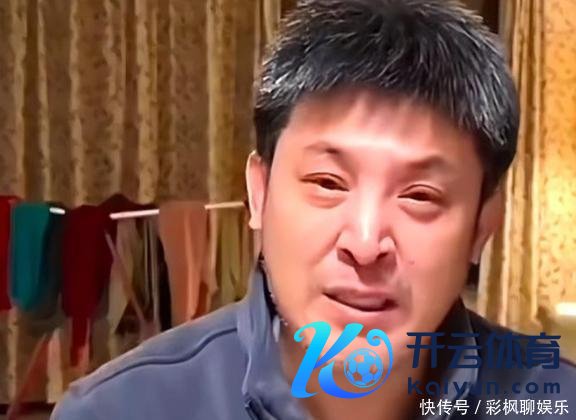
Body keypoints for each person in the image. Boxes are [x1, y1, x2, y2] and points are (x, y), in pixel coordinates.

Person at [51, 0, 576, 419]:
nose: (365, 244)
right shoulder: (122, 409)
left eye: (419, 195)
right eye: (327, 183)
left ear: (483, 225)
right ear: (259, 193)